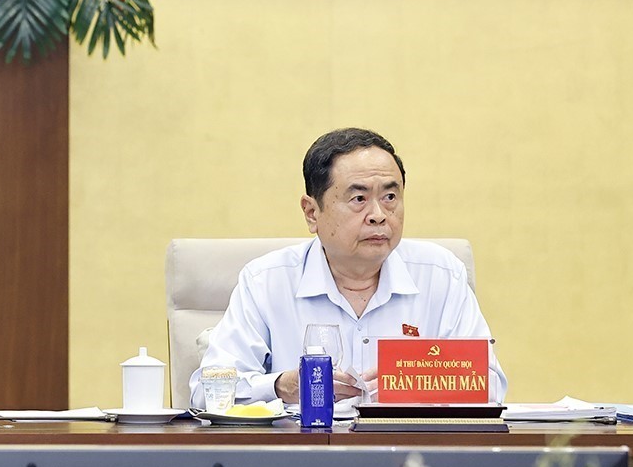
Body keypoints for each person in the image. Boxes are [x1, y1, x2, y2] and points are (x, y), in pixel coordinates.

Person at [188, 128, 506, 408]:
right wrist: (280, 387)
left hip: (409, 452)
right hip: (305, 452)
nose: (378, 215)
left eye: (390, 196)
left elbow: (491, 387)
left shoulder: (441, 276)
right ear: (312, 212)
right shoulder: (266, 282)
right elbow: (206, 392)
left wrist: (419, 382)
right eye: (359, 199)